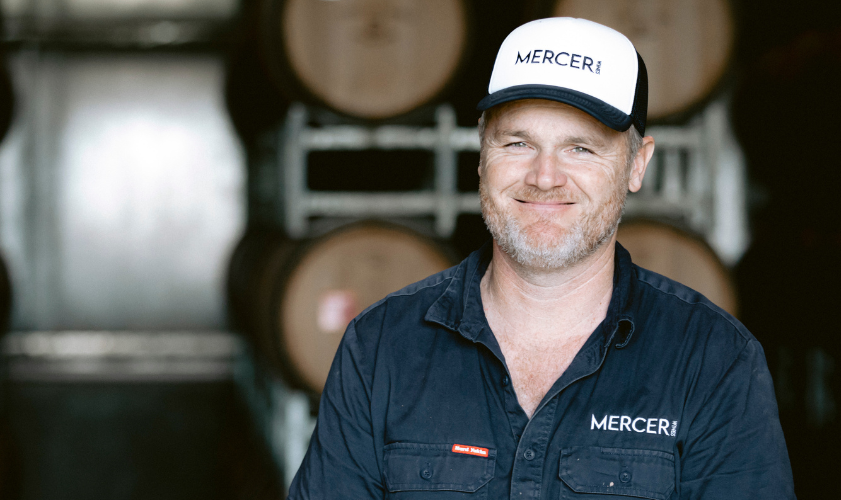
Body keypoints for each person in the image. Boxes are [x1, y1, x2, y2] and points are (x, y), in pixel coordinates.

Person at [288, 17, 795, 499]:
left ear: (637, 165)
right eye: (518, 142)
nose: (545, 175)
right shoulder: (381, 348)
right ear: (482, 154)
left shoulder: (712, 360)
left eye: (581, 148)